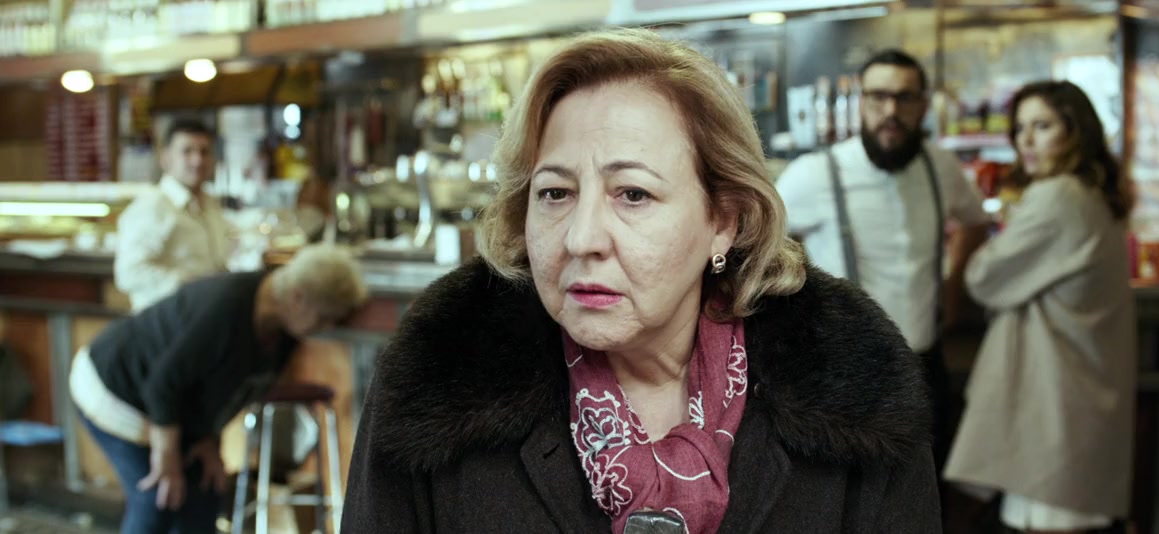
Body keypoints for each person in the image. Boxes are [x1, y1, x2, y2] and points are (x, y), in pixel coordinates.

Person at [343, 29, 940, 533]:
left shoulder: (857, 398)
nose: (582, 238)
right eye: (554, 193)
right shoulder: (438, 378)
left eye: (633, 194)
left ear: (723, 222)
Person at [774, 49, 990, 470]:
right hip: (848, 372)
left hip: (927, 362)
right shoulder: (817, 172)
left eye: (904, 98)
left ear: (923, 105)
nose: (891, 111)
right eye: (878, 97)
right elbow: (758, 237)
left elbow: (975, 222)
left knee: (929, 484)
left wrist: (952, 290)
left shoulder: (941, 167)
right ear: (861, 102)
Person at [943, 80, 1137, 534]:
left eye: (1042, 126)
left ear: (1075, 132)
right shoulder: (1092, 193)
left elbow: (984, 278)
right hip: (1080, 398)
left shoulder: (1057, 197)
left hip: (1054, 405)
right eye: (1020, 128)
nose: (1025, 140)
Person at [70, 245, 367, 534]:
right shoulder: (227, 306)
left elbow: (230, 389)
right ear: (298, 297)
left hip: (168, 405)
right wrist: (167, 457)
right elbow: (164, 385)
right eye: (324, 317)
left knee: (206, 492)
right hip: (115, 387)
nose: (327, 327)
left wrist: (207, 439)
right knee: (159, 498)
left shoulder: (285, 329)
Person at [115, 119, 232, 312]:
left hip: (206, 315)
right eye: (187, 151)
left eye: (204, 152)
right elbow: (129, 273)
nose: (197, 160)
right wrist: (189, 285)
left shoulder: (210, 204)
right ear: (166, 158)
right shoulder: (152, 207)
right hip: (168, 321)